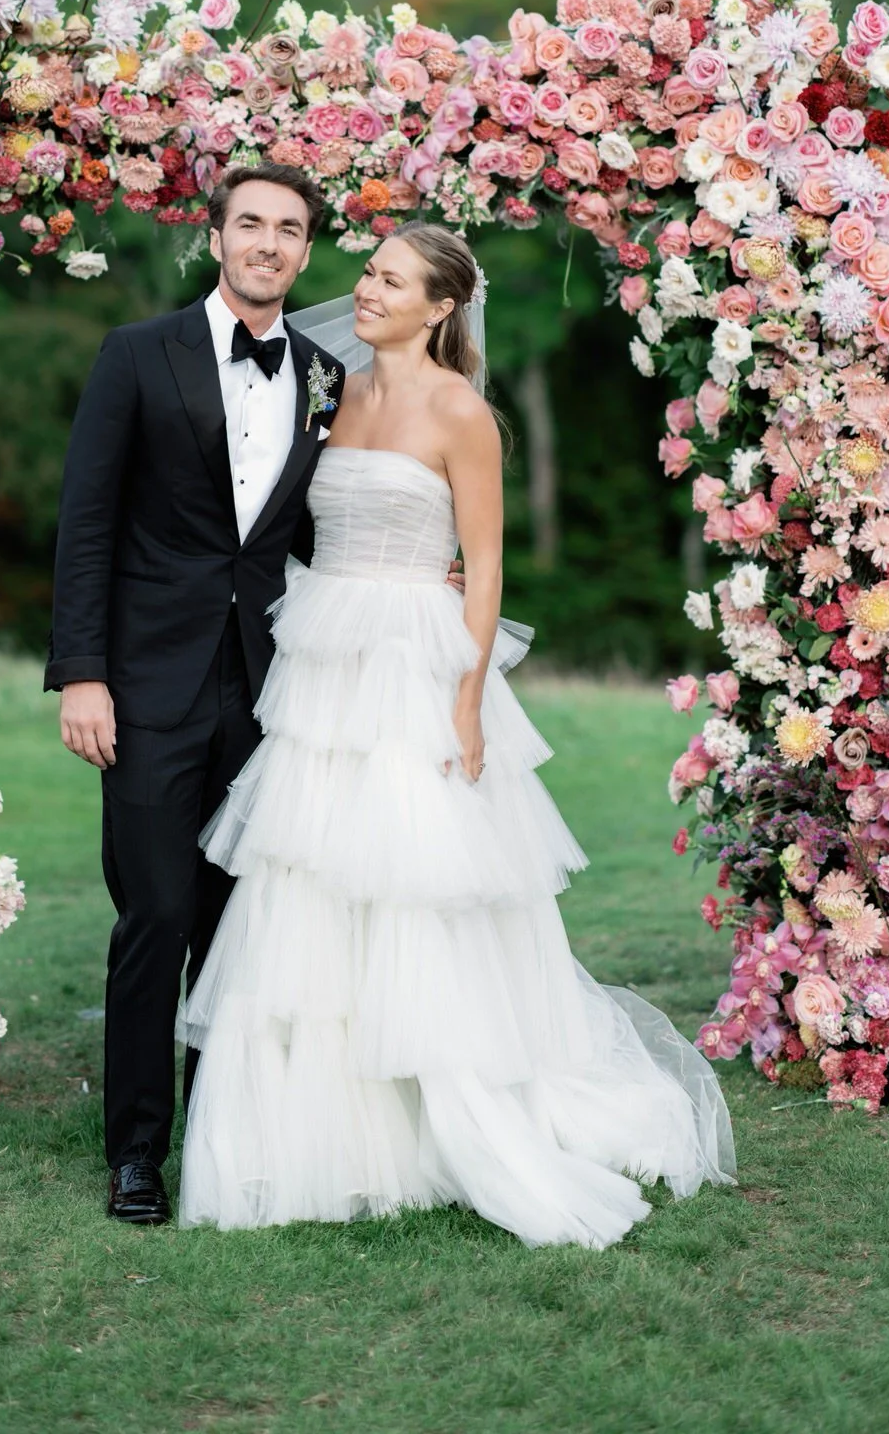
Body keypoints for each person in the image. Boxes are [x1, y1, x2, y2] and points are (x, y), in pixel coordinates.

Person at [178, 224, 735, 1247]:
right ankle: (333, 1135)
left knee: (411, 886)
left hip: (415, 664)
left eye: (392, 279)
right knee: (310, 883)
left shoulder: (460, 410)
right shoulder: (327, 393)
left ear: (441, 306)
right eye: (369, 273)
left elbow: (483, 567)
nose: (367, 289)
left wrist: (468, 700)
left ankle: (459, 1114)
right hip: (323, 656)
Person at [47, 163, 344, 1225]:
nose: (268, 242)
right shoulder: (136, 353)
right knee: (158, 913)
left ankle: (222, 1134)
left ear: (308, 252)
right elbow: (85, 522)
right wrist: (82, 672)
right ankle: (135, 1150)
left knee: (239, 926)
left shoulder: (322, 375)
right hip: (143, 682)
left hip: (269, 691)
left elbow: (313, 533)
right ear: (216, 236)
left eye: (290, 229)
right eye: (251, 223)